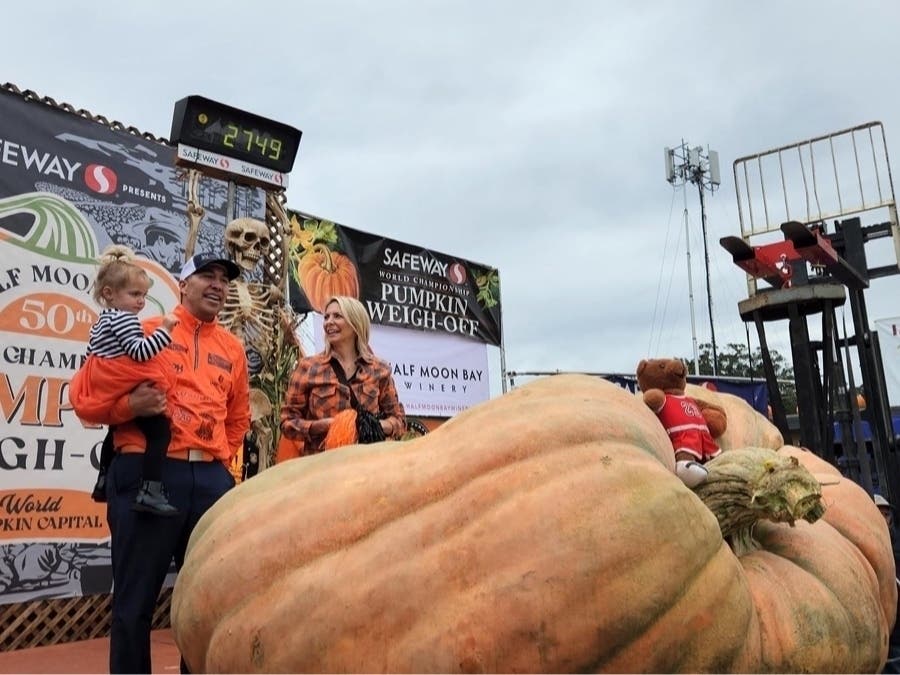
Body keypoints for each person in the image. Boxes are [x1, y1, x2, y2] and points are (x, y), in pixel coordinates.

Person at [69, 253, 250, 674]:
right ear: (182, 285)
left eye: (224, 279)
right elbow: (84, 399)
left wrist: (224, 471)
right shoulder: (143, 330)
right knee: (134, 604)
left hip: (209, 481)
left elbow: (238, 417)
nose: (217, 284)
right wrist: (129, 405)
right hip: (148, 472)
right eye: (207, 275)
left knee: (204, 606)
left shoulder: (233, 348)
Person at [83, 244, 179, 516]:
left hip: (108, 386)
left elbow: (90, 356)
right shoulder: (126, 320)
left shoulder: (102, 321)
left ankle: (102, 480)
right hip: (126, 384)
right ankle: (150, 490)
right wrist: (165, 331)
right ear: (109, 294)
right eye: (135, 294)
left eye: (144, 295)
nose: (141, 302)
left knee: (114, 430)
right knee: (159, 433)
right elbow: (140, 352)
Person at [280, 295, 405, 456]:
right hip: (320, 465)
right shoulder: (309, 367)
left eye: (337, 316)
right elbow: (287, 422)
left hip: (365, 464)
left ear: (355, 323)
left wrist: (373, 426)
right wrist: (322, 426)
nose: (329, 322)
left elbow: (399, 421)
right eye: (326, 317)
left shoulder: (379, 369)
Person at [875, 494, 900, 673]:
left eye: (887, 515)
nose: (885, 519)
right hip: (887, 641)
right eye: (879, 514)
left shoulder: (895, 548)